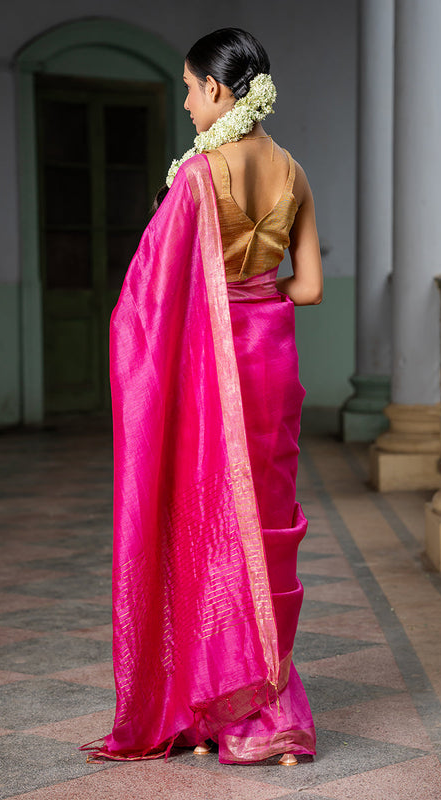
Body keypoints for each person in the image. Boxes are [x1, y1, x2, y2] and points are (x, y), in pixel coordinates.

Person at [88, 27, 323, 766]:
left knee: (212, 525)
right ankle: (272, 708)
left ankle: (224, 705)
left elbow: (149, 300)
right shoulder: (294, 172)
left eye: (190, 87)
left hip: (214, 372)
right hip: (272, 364)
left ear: (220, 89)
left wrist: (209, 309)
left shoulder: (197, 177)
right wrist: (257, 295)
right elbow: (310, 288)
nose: (186, 102)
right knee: (266, 527)